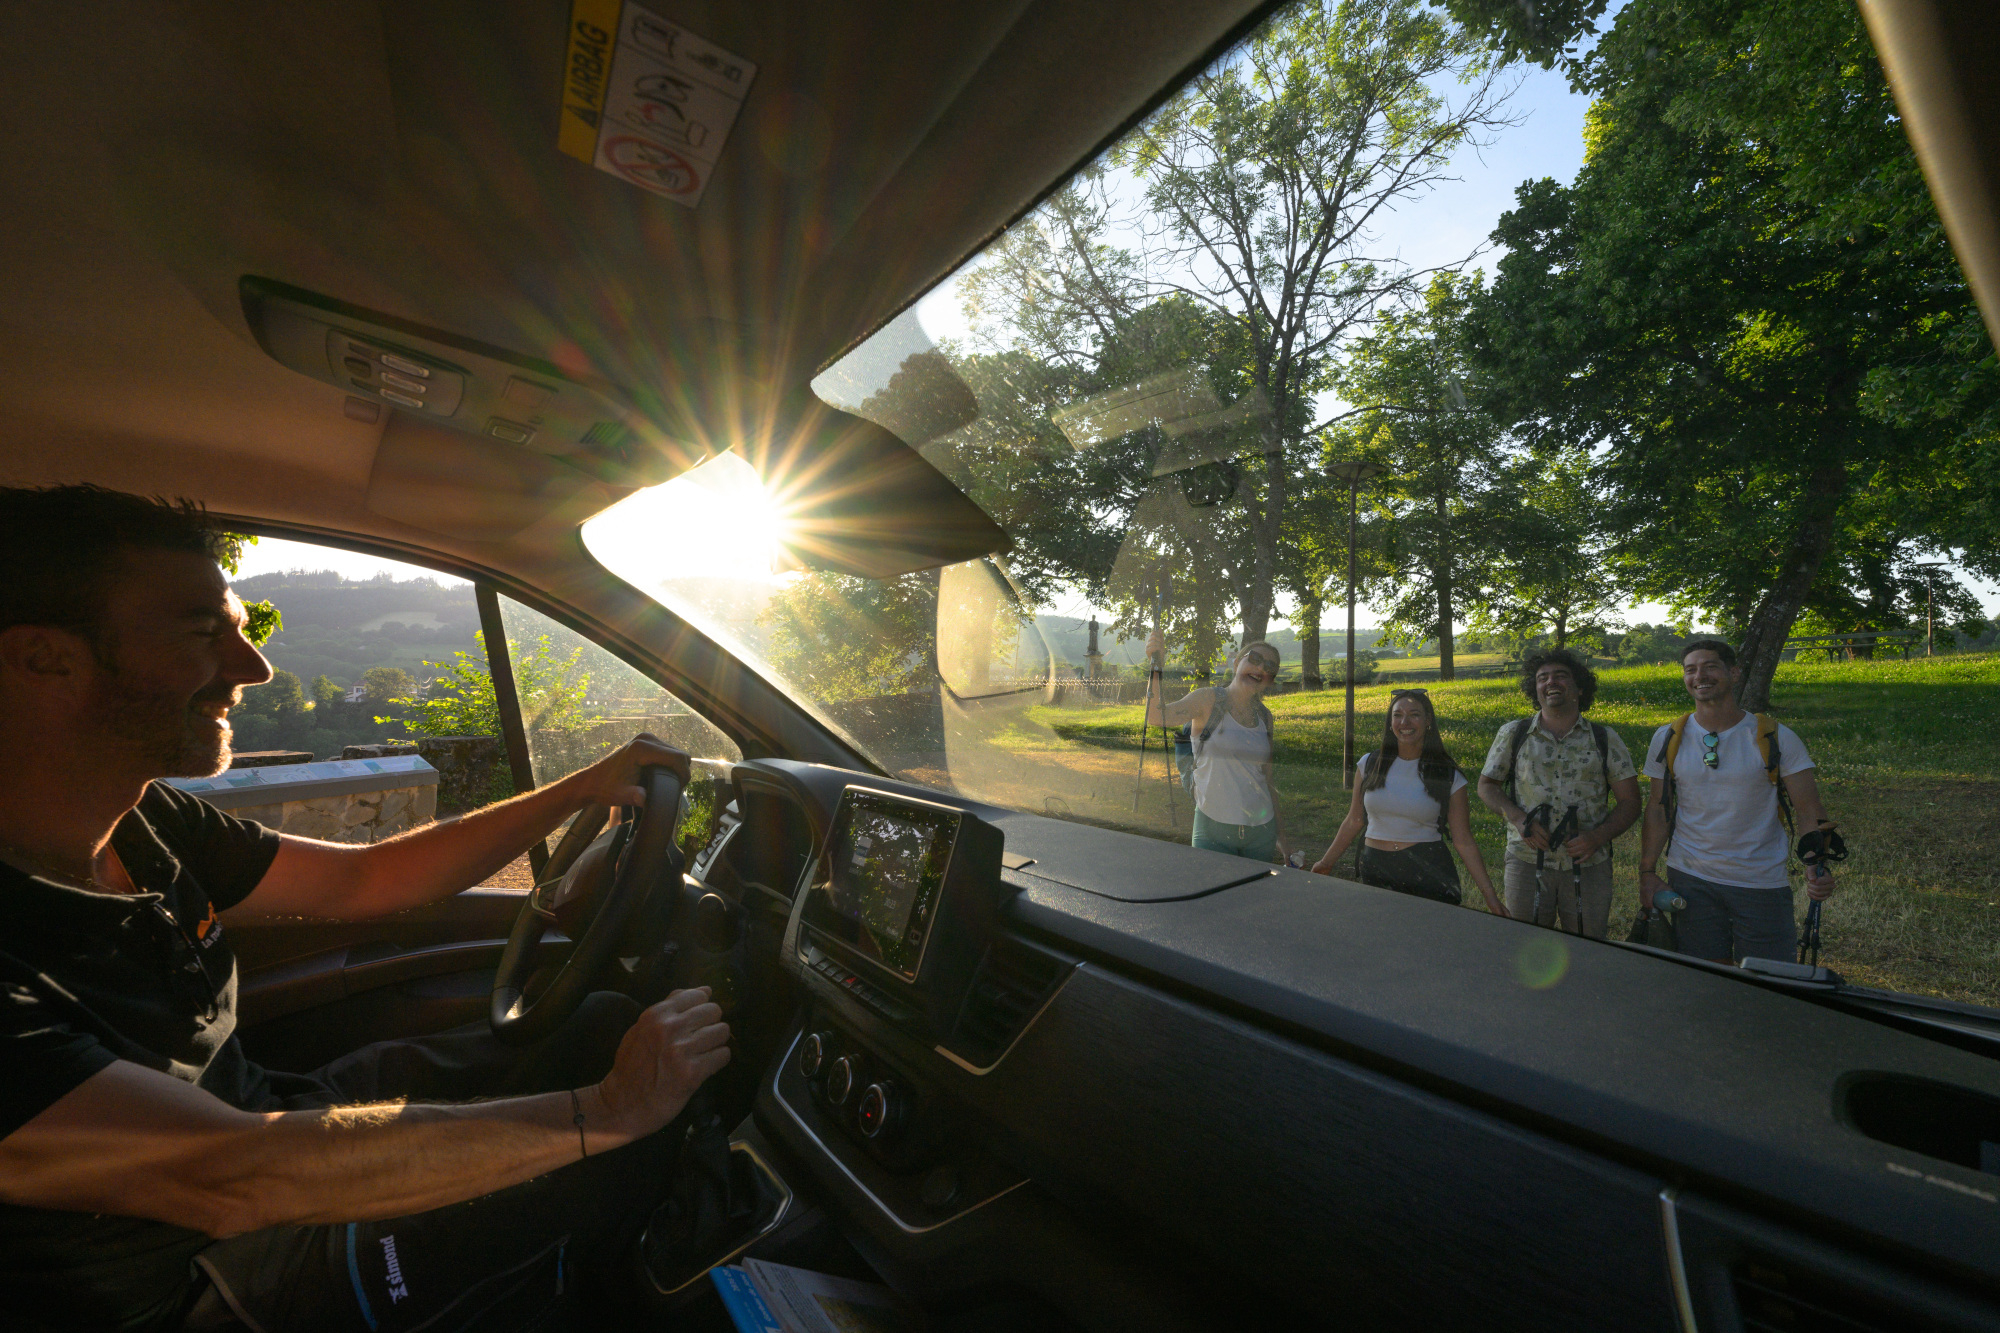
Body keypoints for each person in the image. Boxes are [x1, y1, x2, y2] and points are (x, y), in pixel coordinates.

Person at [0, 486, 731, 1331]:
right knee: (613, 1164)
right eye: (205, 633)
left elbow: (368, 881)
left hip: (264, 1117)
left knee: (599, 1023)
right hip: (195, 1281)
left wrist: (586, 786)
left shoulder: (143, 819)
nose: (253, 667)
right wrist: (602, 1115)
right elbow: (232, 1175)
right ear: (45, 659)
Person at [1638, 638, 1838, 963]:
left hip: (1759, 880)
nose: (1699, 676)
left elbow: (1808, 809)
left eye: (1710, 667)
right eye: (1691, 670)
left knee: (1768, 980)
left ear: (1733, 672)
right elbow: (1658, 810)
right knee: (1706, 977)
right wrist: (1647, 872)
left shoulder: (1775, 736)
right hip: (1689, 878)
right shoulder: (1667, 738)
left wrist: (1816, 864)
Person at [1476, 647, 1641, 937]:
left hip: (1589, 864)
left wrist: (1597, 837)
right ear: (1535, 689)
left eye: (1561, 676)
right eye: (1543, 678)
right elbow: (1487, 786)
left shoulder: (1605, 738)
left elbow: (1630, 802)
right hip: (1526, 861)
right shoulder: (1514, 733)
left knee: (1589, 948)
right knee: (1523, 945)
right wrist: (1518, 818)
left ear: (1579, 687)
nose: (1551, 682)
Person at [1310, 689, 1507, 916]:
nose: (1405, 722)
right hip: (1376, 867)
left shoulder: (1449, 775)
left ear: (1428, 721)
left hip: (1427, 870)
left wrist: (1490, 896)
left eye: (1414, 714)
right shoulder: (1370, 764)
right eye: (1397, 715)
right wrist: (1326, 862)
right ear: (1389, 721)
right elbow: (1354, 820)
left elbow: (1464, 841)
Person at [1143, 631, 1290, 864]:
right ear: (1236, 663)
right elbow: (1155, 716)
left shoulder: (1265, 717)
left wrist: (1282, 838)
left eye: (1270, 666)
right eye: (1254, 658)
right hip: (1212, 828)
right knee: (1210, 899)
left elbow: (1266, 780)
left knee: (1255, 899)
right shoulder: (1206, 700)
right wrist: (1155, 666)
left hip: (1262, 832)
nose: (1261, 667)